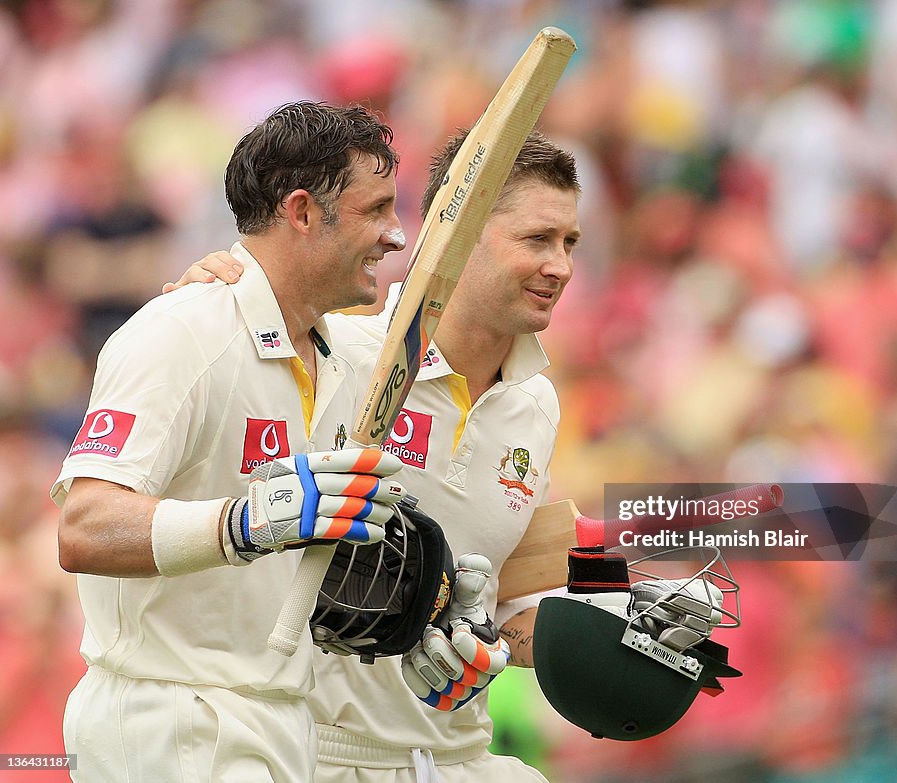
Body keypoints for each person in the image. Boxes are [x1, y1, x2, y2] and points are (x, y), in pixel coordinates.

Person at [175, 129, 729, 782]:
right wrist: (201, 303)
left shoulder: (537, 405)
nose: (562, 265)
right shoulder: (337, 353)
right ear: (458, 233)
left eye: (570, 242)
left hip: (457, 756)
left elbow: (489, 583)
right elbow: (212, 509)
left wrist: (616, 613)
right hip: (311, 755)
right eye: (537, 239)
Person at [52, 101, 415, 783]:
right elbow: (84, 525)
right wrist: (244, 521)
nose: (395, 234)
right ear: (302, 212)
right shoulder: (182, 332)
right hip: (172, 717)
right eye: (377, 209)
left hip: (278, 718)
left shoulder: (347, 355)